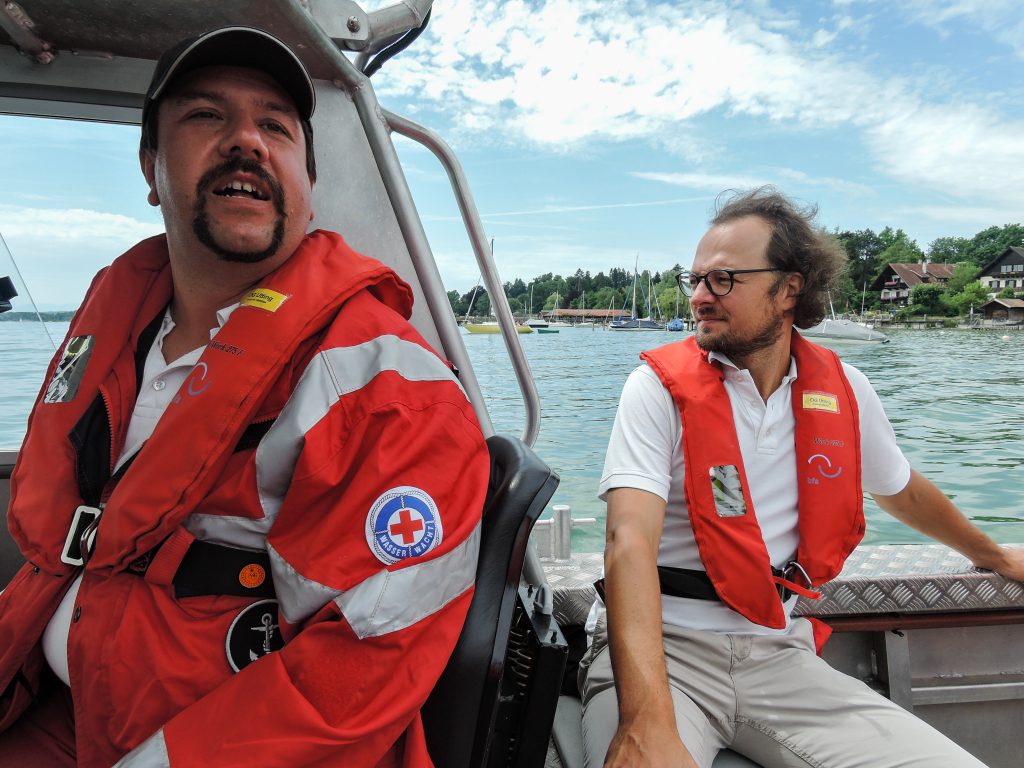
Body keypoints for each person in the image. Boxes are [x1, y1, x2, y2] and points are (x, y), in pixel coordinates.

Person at [0, 27, 489, 767]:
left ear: (307, 182)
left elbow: (363, 668)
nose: (246, 142)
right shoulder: (118, 324)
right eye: (205, 116)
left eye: (275, 126)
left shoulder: (388, 391)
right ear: (150, 168)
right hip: (68, 708)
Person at [580, 187, 1024, 768]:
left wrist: (994, 555)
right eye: (694, 279)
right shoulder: (656, 389)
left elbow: (901, 489)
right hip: (666, 650)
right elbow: (628, 541)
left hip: (779, 656)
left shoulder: (844, 392)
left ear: (789, 288)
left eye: (722, 280)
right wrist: (645, 721)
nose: (698, 298)